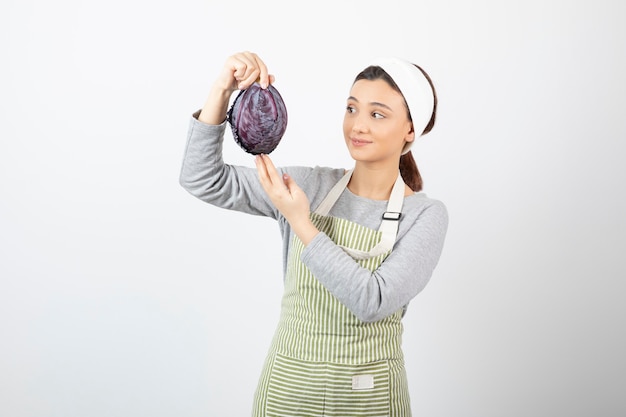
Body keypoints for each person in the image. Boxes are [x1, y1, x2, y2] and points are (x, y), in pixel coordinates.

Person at [180, 51, 448, 417]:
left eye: (377, 114)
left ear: (410, 129)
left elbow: (373, 301)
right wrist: (222, 90)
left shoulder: (425, 216)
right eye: (352, 109)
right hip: (287, 392)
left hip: (369, 399)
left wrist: (301, 222)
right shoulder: (308, 184)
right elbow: (202, 178)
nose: (358, 125)